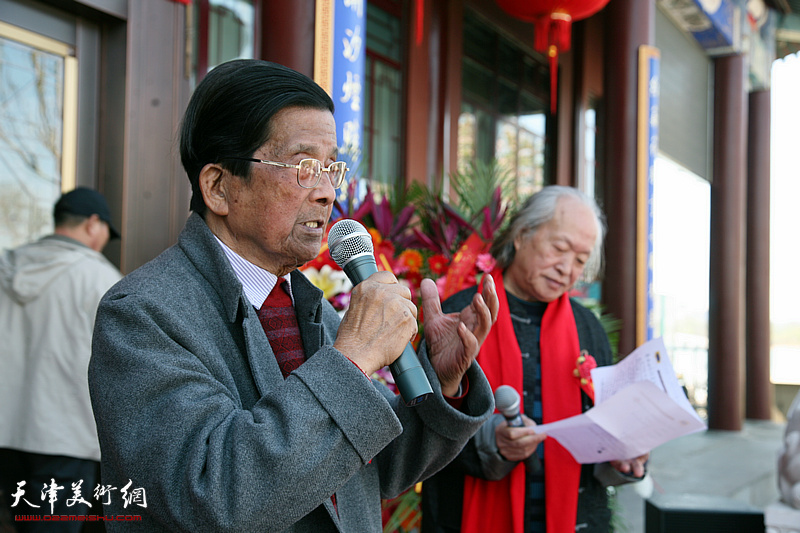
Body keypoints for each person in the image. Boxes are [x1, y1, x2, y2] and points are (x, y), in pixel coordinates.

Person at [87, 59, 499, 532]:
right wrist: (353, 358)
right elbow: (212, 496)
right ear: (219, 187)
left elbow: (374, 468)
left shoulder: (310, 308)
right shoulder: (143, 314)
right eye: (304, 166)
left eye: (331, 167)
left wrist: (441, 380)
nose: (327, 192)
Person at [421, 186, 649, 533]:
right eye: (559, 248)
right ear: (522, 235)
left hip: (577, 518)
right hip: (467, 514)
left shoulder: (588, 329)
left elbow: (606, 426)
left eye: (580, 259)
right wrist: (490, 443)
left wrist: (623, 454)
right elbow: (422, 429)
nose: (567, 268)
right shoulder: (462, 315)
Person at [0, 187, 122, 531]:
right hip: (66, 439)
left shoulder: (6, 269)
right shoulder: (99, 279)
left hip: (7, 435)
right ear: (93, 224)